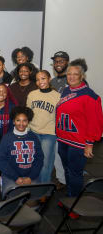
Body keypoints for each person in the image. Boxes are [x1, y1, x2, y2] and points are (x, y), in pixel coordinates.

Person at [56, 59, 103, 197]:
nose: (71, 76)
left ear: (82, 76)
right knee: (67, 170)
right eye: (69, 74)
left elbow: (95, 122)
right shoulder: (65, 90)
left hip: (78, 143)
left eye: (75, 74)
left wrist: (89, 144)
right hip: (63, 140)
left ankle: (74, 202)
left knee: (75, 172)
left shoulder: (90, 96)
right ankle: (70, 195)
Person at [0, 106, 44, 197]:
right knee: (12, 199)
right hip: (11, 177)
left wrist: (31, 177)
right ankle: (2, 183)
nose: (21, 123)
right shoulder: (7, 138)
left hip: (31, 176)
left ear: (28, 122)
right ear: (13, 121)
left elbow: (39, 159)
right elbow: (1, 160)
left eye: (24, 120)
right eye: (18, 120)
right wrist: (15, 177)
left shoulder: (33, 137)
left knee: (34, 200)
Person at [26, 70, 60, 183]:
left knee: (46, 162)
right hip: (34, 131)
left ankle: (44, 188)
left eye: (43, 78)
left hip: (49, 133)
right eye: (38, 79)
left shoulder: (57, 96)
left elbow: (58, 117)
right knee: (34, 160)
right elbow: (28, 114)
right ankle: (35, 184)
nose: (40, 81)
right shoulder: (32, 95)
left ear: (49, 79)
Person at [50, 51, 70, 190]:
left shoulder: (72, 79)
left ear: (67, 62)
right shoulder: (52, 81)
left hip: (68, 125)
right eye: (56, 61)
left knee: (68, 156)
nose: (58, 64)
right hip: (53, 123)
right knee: (56, 154)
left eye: (61, 61)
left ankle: (70, 183)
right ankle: (62, 179)